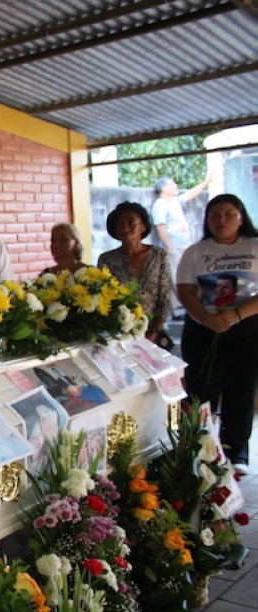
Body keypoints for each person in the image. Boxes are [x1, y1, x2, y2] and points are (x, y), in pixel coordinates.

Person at [177, 194, 258, 475]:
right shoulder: (196, 251)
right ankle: (201, 448)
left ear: (241, 216)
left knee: (241, 389)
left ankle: (237, 452)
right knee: (200, 391)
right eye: (215, 215)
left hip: (247, 326)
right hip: (203, 328)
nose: (221, 220)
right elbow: (186, 291)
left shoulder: (254, 246)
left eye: (228, 214)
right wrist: (207, 318)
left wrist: (235, 315)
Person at [97, 202, 171, 342]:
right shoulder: (107, 259)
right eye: (120, 224)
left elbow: (164, 299)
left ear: (143, 226)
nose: (125, 227)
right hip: (119, 332)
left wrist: (155, 331)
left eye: (131, 222)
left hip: (152, 331)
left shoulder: (158, 255)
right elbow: (103, 298)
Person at [152, 173, 214, 279]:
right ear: (163, 188)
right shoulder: (160, 205)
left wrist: (205, 183)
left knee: (187, 275)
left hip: (183, 245)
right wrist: (170, 247)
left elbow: (190, 194)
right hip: (174, 246)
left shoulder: (175, 202)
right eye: (171, 184)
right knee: (177, 277)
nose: (175, 186)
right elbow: (160, 227)